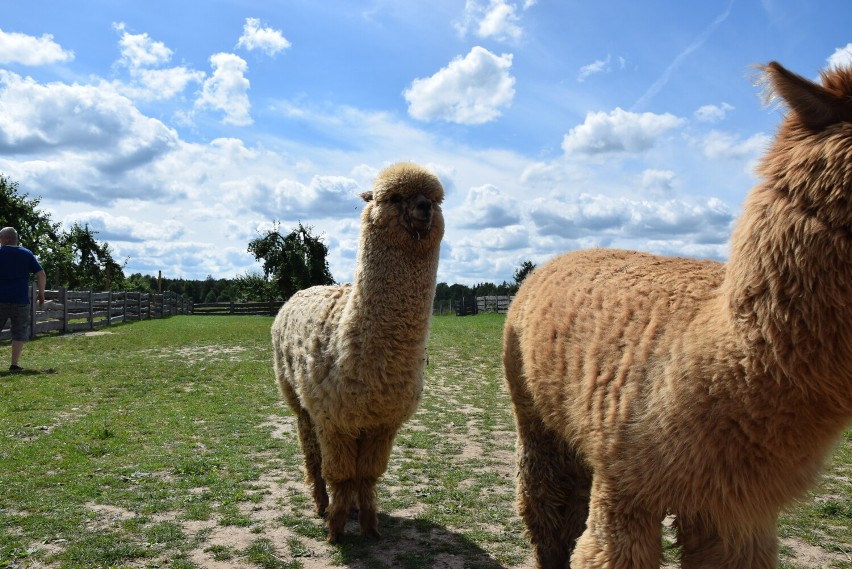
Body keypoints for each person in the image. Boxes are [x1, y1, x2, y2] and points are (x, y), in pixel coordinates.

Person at [0, 227, 46, 372]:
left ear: (6, 238)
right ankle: (14, 364)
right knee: (19, 332)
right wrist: (42, 293)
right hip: (20, 300)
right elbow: (41, 274)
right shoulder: (26, 254)